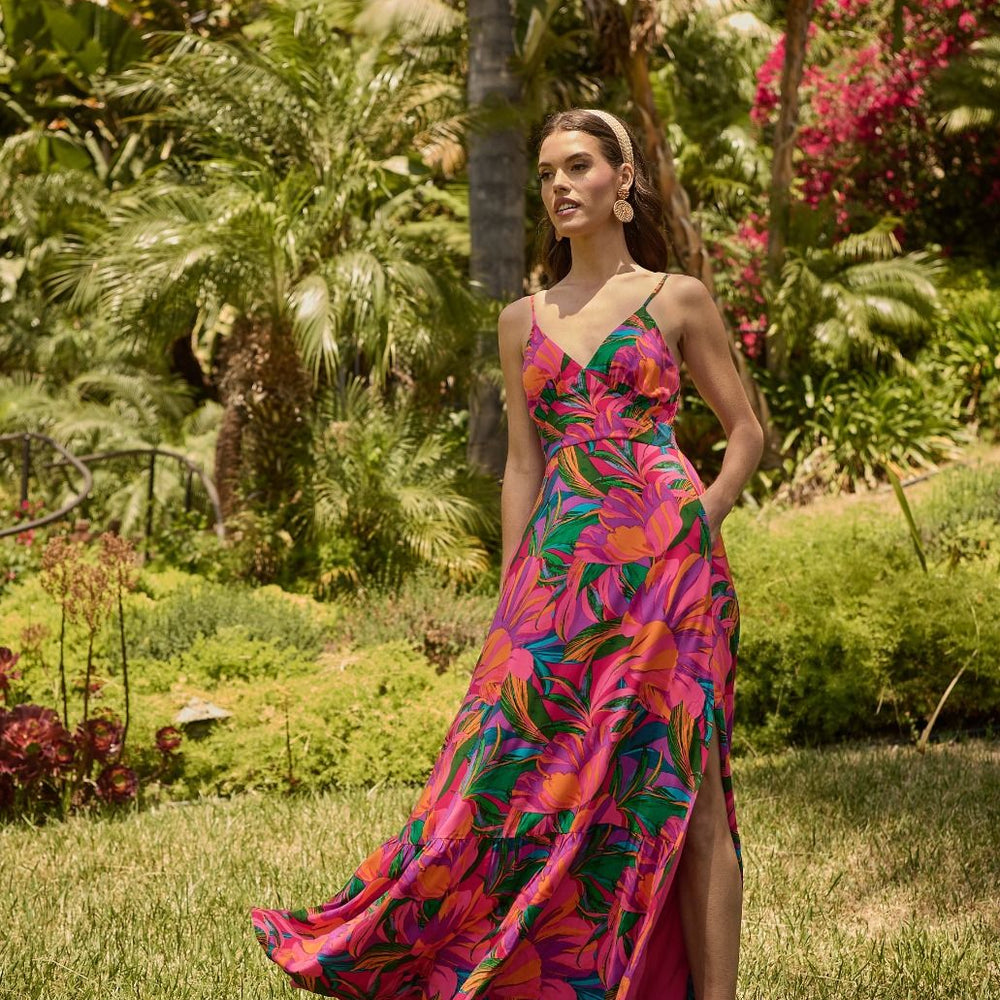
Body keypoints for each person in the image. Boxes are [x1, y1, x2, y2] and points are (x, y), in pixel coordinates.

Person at [251, 107, 764, 1000]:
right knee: (515, 773)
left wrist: (706, 516)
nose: (562, 186)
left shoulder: (677, 296)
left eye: (579, 167)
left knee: (689, 790)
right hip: (560, 573)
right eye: (548, 174)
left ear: (623, 179)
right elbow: (522, 465)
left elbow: (746, 431)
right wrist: (508, 599)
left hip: (671, 574)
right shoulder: (519, 321)